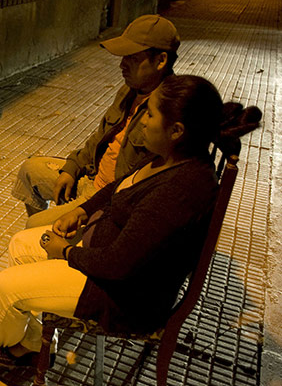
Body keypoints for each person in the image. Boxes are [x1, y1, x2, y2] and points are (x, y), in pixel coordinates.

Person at [0, 75, 261, 366]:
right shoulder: (171, 155)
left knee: (6, 287)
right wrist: (83, 210)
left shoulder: (182, 189)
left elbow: (118, 264)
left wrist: (65, 252)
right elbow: (122, 185)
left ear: (176, 130)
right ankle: (33, 342)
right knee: (20, 244)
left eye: (150, 114)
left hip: (123, 295)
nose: (143, 122)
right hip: (103, 256)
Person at [12, 15, 179, 228]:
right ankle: (47, 239)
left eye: (132, 58)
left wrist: (88, 209)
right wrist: (72, 167)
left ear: (161, 61)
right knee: (29, 170)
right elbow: (98, 138)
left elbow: (147, 187)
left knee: (34, 225)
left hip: (106, 202)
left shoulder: (168, 112)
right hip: (90, 179)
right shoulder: (130, 91)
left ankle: (52, 240)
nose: (122, 65)